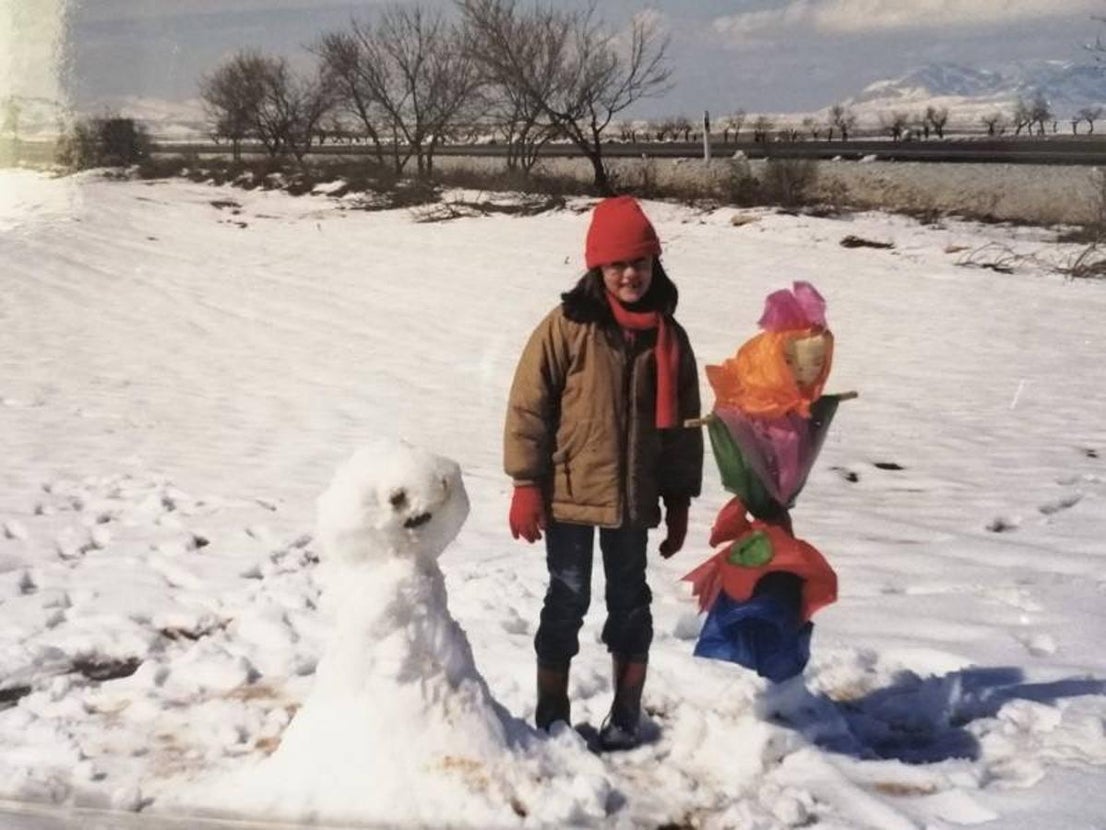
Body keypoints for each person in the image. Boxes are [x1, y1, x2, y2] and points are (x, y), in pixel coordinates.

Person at [503, 195, 703, 750]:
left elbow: (685, 426)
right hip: (567, 494)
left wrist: (680, 499)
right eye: (617, 264)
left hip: (634, 501)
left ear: (654, 264)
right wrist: (525, 484)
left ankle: (626, 711)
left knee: (631, 602)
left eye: (639, 262)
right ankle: (552, 711)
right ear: (598, 268)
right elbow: (528, 407)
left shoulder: (668, 337)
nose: (629, 274)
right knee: (566, 597)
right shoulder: (566, 327)